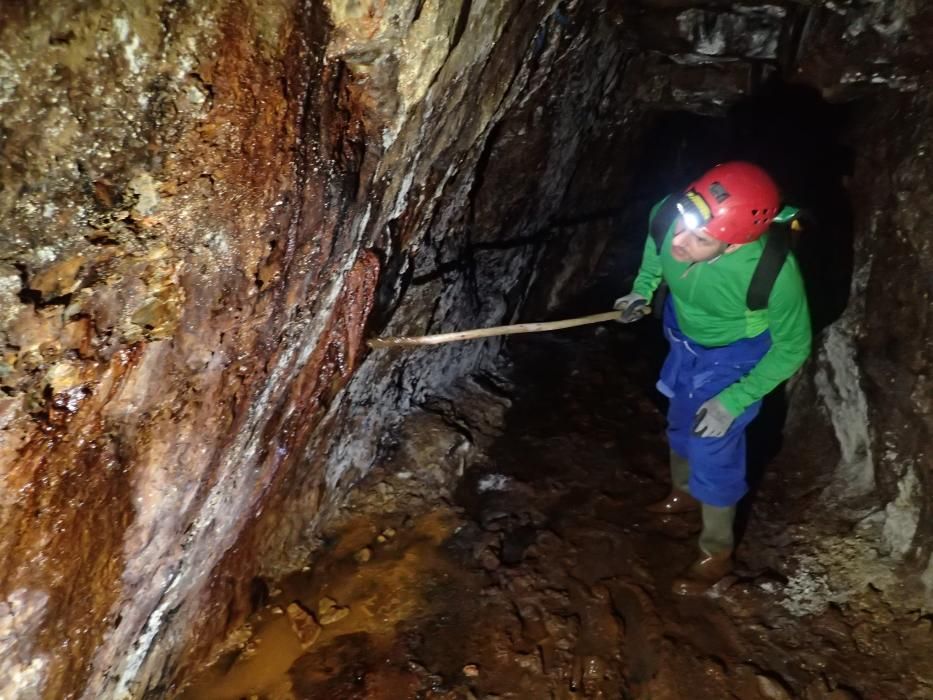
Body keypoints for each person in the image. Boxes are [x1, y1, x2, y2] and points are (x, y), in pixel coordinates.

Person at [614, 161, 811, 595]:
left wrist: (737, 399)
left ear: (736, 246)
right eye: (683, 226)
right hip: (684, 337)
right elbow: (655, 248)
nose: (680, 242)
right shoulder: (669, 213)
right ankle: (684, 493)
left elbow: (793, 347)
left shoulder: (773, 274)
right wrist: (642, 289)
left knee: (711, 441)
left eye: (700, 239)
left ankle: (716, 551)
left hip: (736, 356)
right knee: (680, 423)